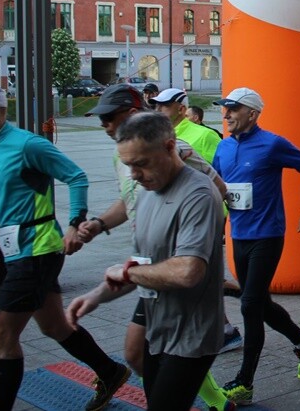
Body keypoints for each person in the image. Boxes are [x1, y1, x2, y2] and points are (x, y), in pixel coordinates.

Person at [76, 84, 236, 411]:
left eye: (110, 117)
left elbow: (188, 269)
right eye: (129, 166)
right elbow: (140, 253)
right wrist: (97, 293)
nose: (134, 175)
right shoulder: (145, 184)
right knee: (139, 361)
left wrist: (198, 238)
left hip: (189, 323)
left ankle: (218, 401)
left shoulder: (190, 179)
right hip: (157, 307)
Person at [0, 83, 130, 411]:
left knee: (2, 336)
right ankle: (110, 371)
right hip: (17, 251)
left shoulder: (27, 144)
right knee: (54, 325)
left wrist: (75, 223)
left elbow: (76, 176)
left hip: (38, 249)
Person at [213, 87, 300, 405]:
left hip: (267, 235)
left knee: (249, 305)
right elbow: (216, 187)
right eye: (225, 108)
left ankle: (244, 383)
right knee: (259, 303)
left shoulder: (272, 144)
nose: (226, 114)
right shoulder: (223, 147)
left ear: (252, 113)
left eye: (233, 109)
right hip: (239, 236)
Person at [150, 88, 222, 163]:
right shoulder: (155, 135)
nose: (157, 110)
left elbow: (220, 167)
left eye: (164, 105)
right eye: (157, 105)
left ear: (181, 109)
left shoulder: (205, 135)